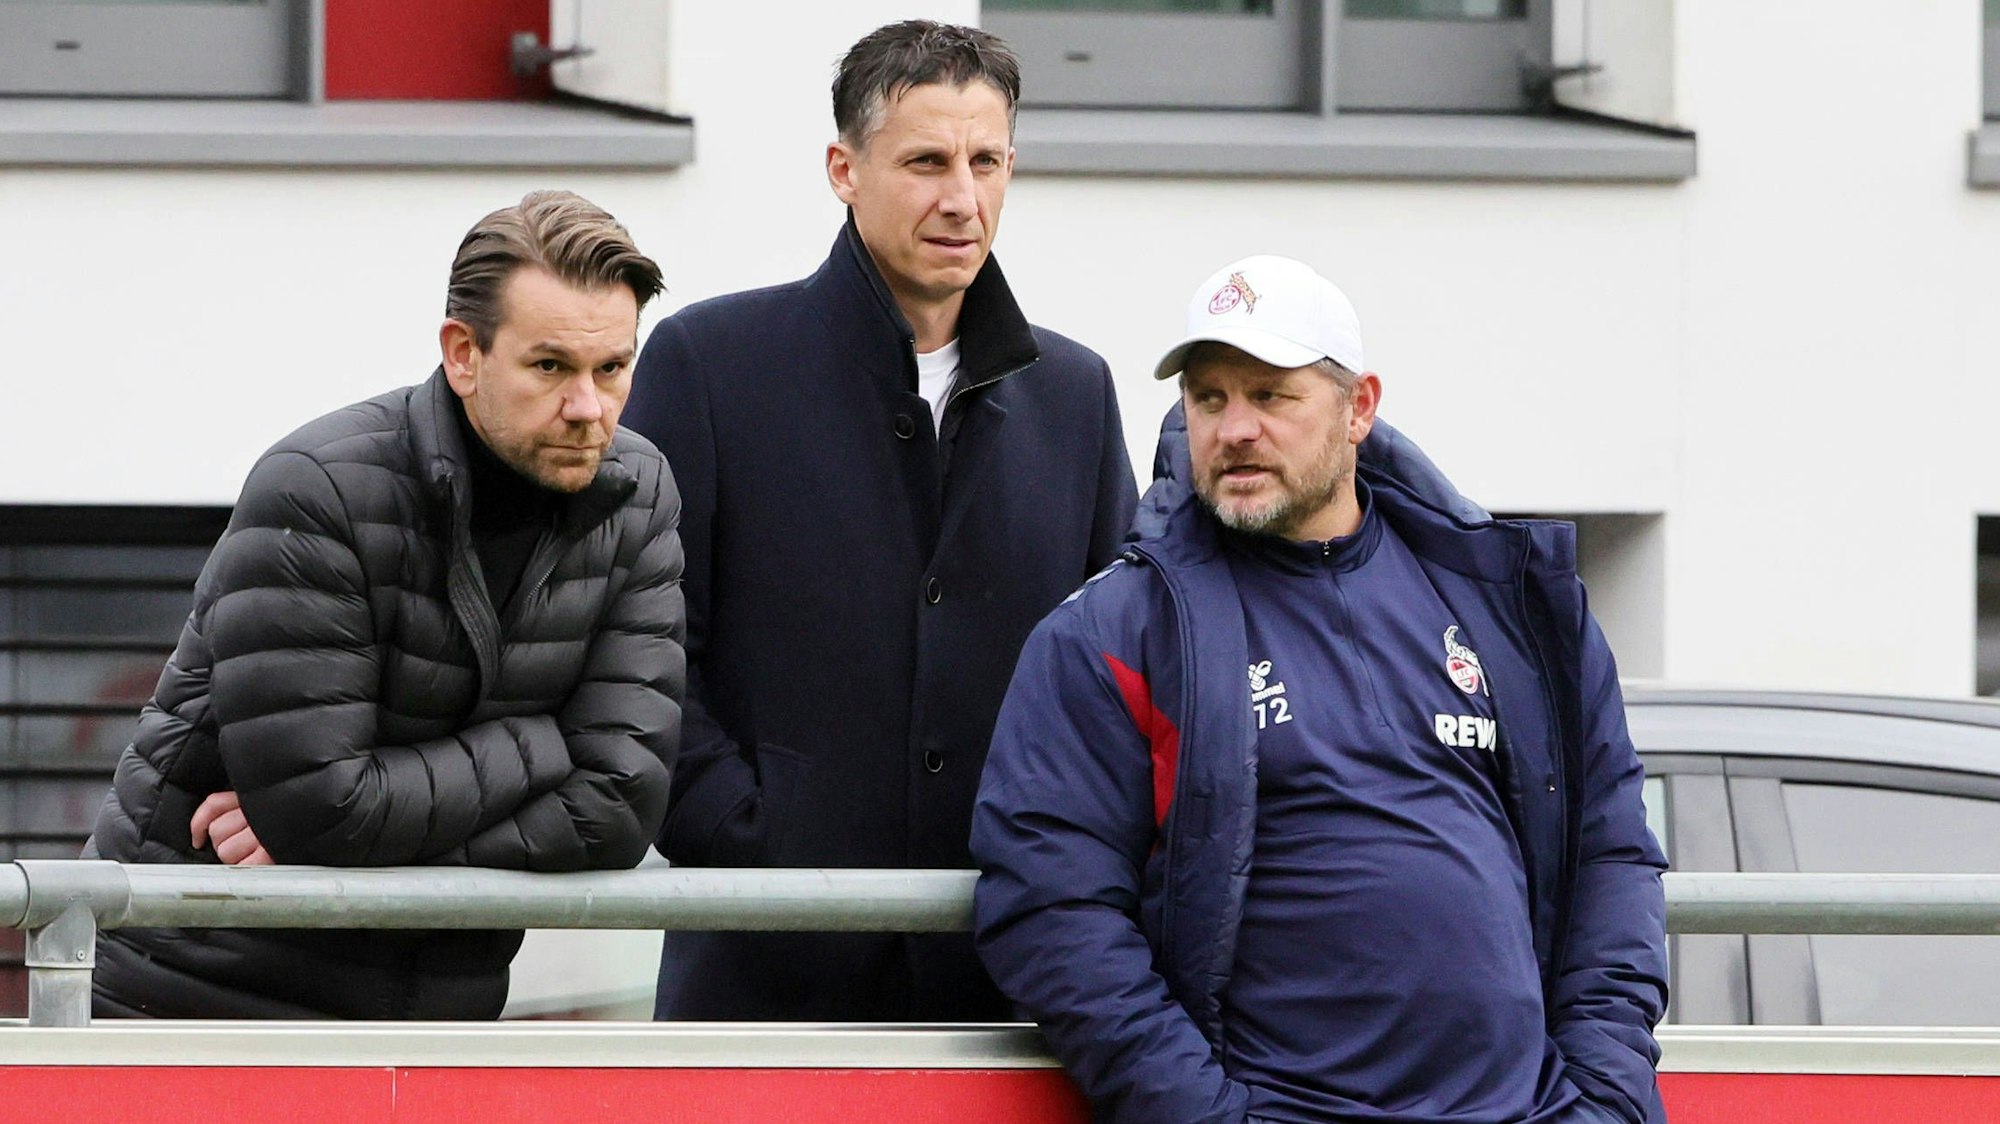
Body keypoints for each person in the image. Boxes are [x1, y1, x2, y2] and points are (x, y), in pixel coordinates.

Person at [972, 255, 1668, 1123]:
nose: (1233, 429)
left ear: (1359, 408)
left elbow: (1611, 852)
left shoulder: (1510, 607)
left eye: (1271, 395)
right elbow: (1051, 907)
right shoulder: (1114, 633)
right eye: (1209, 397)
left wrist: (1602, 1100)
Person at [621, 20, 1137, 1021]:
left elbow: (1119, 672)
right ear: (842, 169)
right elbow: (641, 656)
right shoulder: (708, 365)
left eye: (985, 161)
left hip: (1007, 988)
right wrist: (753, 839)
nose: (962, 197)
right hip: (761, 988)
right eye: (926, 161)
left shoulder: (1075, 393)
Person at [83, 190, 686, 1020]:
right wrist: (544, 741)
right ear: (463, 354)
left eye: (612, 369)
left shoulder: (639, 491)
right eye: (550, 367)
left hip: (432, 1013)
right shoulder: (319, 488)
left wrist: (368, 836)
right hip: (201, 999)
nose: (589, 408)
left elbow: (622, 806)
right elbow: (323, 809)